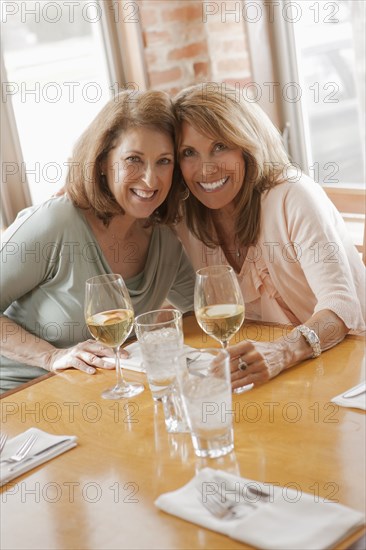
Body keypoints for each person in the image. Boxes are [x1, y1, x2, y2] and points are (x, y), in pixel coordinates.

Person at [173, 83, 365, 391]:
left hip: (350, 368)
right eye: (189, 153)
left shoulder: (292, 195)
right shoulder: (185, 217)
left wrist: (282, 351)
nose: (206, 169)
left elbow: (342, 307)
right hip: (286, 382)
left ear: (246, 146)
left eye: (220, 146)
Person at [0, 90, 195, 393]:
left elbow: (203, 311)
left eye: (164, 161)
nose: (150, 180)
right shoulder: (58, 222)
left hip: (98, 397)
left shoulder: (165, 241)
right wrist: (51, 356)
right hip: (18, 397)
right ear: (103, 161)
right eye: (133, 159)